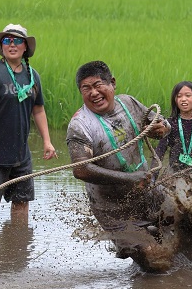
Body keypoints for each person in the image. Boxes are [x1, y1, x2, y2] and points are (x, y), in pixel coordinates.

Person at [66, 60, 171, 262]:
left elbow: (161, 125)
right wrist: (129, 179)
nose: (93, 93)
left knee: (186, 226)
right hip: (112, 208)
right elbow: (81, 170)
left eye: (98, 85)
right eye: (86, 89)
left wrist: (162, 128)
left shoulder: (129, 103)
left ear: (112, 83)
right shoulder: (79, 125)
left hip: (148, 190)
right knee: (154, 259)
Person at [0, 23, 57, 226]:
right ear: (1, 46)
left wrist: (47, 141)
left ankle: (17, 249)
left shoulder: (33, 76)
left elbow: (38, 110)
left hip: (20, 154)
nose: (12, 45)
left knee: (22, 203)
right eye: (7, 40)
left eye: (17, 40)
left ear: (25, 46)